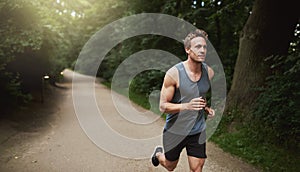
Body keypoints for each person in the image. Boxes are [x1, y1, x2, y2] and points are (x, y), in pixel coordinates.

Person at [151, 29, 215, 172]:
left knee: (196, 169)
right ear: (187, 49)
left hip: (197, 130)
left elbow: (199, 94)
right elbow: (162, 106)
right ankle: (158, 155)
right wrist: (187, 106)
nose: (202, 50)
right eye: (198, 47)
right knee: (170, 166)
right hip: (175, 130)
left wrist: (206, 108)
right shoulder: (174, 74)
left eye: (204, 47)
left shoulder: (209, 72)